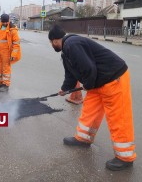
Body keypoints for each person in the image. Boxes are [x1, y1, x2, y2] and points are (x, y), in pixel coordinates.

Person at [48, 24, 136, 171]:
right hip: (98, 81)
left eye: (51, 42)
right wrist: (65, 89)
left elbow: (89, 68)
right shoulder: (66, 52)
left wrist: (87, 85)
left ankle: (125, 157)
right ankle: (83, 139)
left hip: (113, 78)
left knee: (118, 117)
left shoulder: (72, 44)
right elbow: (71, 74)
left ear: (55, 40)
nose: (52, 45)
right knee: (90, 110)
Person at [0, 14, 21, 92]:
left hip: (7, 52)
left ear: (8, 20)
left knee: (6, 69)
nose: (4, 23)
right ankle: (0, 82)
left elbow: (16, 43)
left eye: (6, 22)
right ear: (1, 21)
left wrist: (13, 54)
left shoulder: (12, 29)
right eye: (3, 22)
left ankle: (6, 84)